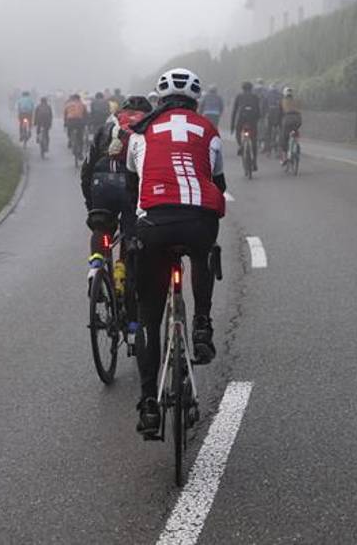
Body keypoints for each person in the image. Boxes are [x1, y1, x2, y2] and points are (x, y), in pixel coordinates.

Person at [126, 68, 225, 437]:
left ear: (159, 99)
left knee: (149, 317)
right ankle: (202, 325)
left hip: (154, 224)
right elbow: (217, 178)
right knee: (202, 251)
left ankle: (149, 406)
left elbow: (133, 186)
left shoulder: (141, 133)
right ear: (196, 100)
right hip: (198, 220)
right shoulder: (209, 130)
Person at [80, 95, 152, 301]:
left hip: (100, 182)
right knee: (130, 232)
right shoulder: (148, 130)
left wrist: (91, 205)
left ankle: (95, 268)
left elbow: (86, 168)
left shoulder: (106, 128)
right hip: (130, 186)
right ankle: (121, 271)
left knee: (101, 227)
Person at [229, 81, 262, 171]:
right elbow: (259, 110)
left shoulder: (239, 96)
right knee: (254, 140)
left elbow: (234, 111)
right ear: (251, 88)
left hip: (242, 118)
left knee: (238, 132)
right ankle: (254, 162)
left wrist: (232, 126)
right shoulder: (255, 97)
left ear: (242, 88)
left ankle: (240, 145)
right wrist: (257, 119)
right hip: (252, 119)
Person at [279, 87, 302, 163]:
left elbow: (279, 113)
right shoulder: (297, 100)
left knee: (284, 137)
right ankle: (296, 141)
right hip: (298, 119)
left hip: (288, 120)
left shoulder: (282, 101)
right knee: (295, 131)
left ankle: (284, 157)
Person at [263, 84, 284, 153]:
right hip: (278, 115)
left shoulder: (267, 94)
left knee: (268, 132)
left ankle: (267, 148)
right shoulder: (280, 95)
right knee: (280, 130)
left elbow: (264, 105)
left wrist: (264, 113)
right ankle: (279, 147)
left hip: (270, 114)